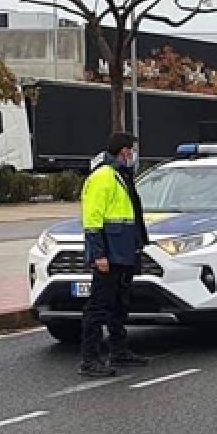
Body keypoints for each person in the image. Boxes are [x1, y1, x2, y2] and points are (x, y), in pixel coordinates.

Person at [78, 132, 150, 377]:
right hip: (109, 254)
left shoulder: (121, 175)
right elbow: (92, 220)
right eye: (132, 149)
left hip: (123, 253)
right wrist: (99, 255)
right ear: (123, 151)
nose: (133, 154)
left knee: (119, 305)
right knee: (98, 306)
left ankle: (119, 351)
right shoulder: (103, 177)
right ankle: (90, 360)